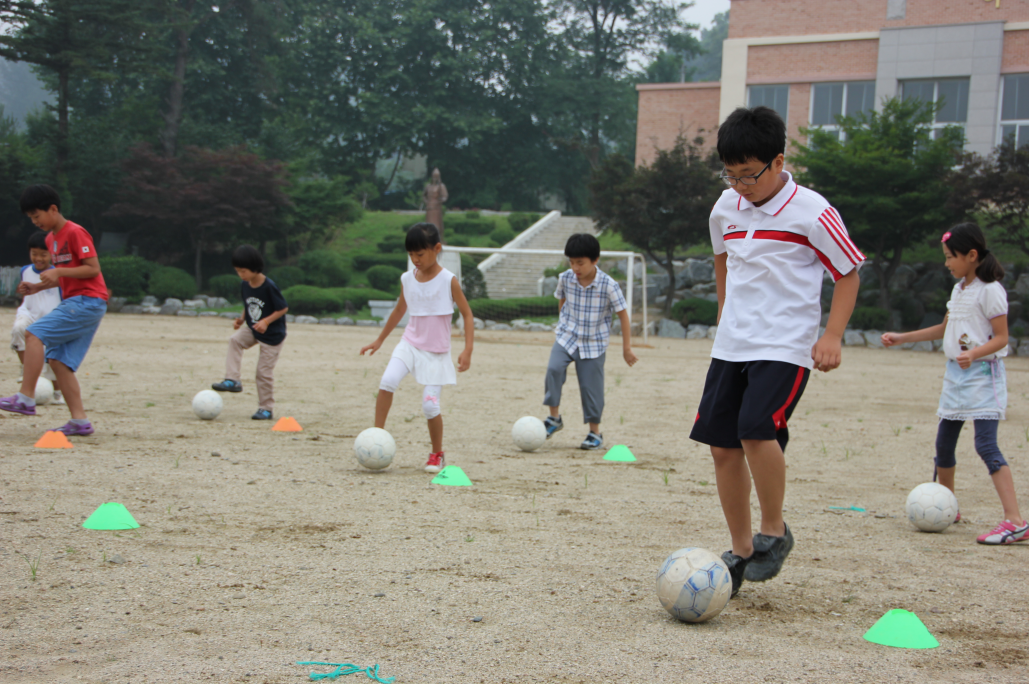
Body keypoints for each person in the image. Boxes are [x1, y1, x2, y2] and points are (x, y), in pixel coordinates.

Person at [690, 106, 864, 598]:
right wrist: (724, 315)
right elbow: (723, 261)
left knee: (755, 429)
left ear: (779, 161)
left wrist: (831, 335)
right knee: (722, 445)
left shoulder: (812, 211)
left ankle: (774, 531)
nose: (740, 185)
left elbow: (847, 273)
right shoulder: (724, 208)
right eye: (731, 175)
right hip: (733, 344)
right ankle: (742, 551)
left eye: (749, 175)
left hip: (785, 345)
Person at [882, 224, 1026, 545]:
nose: (947, 263)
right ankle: (948, 505)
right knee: (944, 445)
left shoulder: (990, 290)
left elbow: (1002, 338)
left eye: (951, 257)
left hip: (982, 376)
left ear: (972, 256)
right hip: (956, 377)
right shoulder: (960, 289)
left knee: (986, 446)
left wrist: (973, 353)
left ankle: (1015, 520)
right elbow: (943, 330)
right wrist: (901, 337)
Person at [360, 223, 474, 473]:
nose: (415, 260)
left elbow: (467, 315)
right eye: (411, 255)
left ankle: (437, 453)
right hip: (409, 345)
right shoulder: (407, 279)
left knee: (430, 405)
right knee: (387, 381)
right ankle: (376, 436)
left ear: (436, 249)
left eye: (420, 254)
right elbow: (400, 309)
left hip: (436, 354)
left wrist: (467, 349)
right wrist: (379, 340)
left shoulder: (448, 280)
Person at [1, 184, 108, 436]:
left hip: (87, 300)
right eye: (31, 218)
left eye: (36, 216)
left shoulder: (75, 232)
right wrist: (37, 288)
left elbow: (93, 269)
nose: (35, 222)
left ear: (53, 209)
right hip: (78, 301)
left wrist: (58, 271)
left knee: (33, 334)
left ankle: (26, 398)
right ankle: (80, 421)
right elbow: (66, 276)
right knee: (59, 361)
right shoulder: (50, 239)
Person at [543, 233, 638, 451]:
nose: (575, 267)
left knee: (591, 389)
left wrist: (627, 348)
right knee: (553, 369)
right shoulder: (565, 277)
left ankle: (595, 433)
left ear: (595, 260)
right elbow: (562, 300)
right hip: (567, 337)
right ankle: (554, 419)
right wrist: (562, 325)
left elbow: (623, 315)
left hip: (594, 343)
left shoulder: (608, 285)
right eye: (572, 262)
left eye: (580, 263)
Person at [211, 245, 289, 420]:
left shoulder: (269, 286)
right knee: (235, 340)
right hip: (254, 329)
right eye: (238, 271)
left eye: (243, 271)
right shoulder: (245, 284)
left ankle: (266, 408)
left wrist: (266, 321)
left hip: (272, 336)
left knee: (263, 372)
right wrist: (241, 319)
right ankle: (233, 380)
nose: (241, 275)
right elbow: (248, 304)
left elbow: (283, 308)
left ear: (255, 267)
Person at [11, 230, 64, 403]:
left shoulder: (58, 273)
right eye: (34, 254)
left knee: (52, 358)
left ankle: (57, 392)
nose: (38, 258)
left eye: (43, 254)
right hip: (29, 312)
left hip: (50, 318)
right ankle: (25, 368)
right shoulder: (25, 270)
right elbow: (25, 292)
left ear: (52, 254)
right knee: (19, 328)